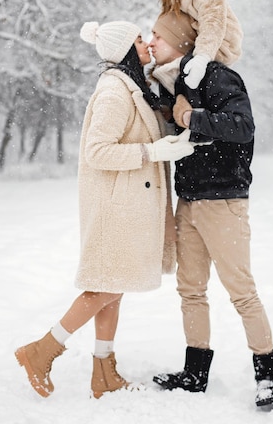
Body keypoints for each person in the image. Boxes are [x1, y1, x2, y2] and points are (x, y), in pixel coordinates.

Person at [14, 20, 194, 399]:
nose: (147, 43)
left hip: (127, 203)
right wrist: (151, 152)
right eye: (138, 39)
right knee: (105, 288)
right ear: (124, 49)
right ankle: (43, 350)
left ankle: (103, 371)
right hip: (117, 206)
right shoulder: (114, 91)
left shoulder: (132, 86)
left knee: (114, 287)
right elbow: (98, 151)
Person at [148, 11, 273, 410]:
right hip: (188, 199)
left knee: (241, 292)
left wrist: (192, 117)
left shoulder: (217, 76)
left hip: (224, 200)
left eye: (158, 35)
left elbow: (243, 127)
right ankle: (195, 373)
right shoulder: (175, 82)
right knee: (190, 289)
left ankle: (268, 375)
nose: (152, 41)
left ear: (180, 41)